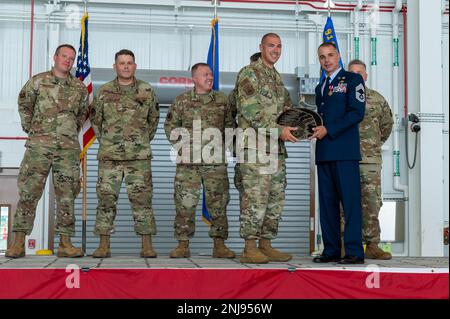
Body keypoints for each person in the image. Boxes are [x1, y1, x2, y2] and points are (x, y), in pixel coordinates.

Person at [6, 44, 89, 258]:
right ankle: (17, 243)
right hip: (39, 146)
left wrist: (69, 131)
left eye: (71, 58)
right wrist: (33, 129)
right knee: (29, 192)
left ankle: (65, 243)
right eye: (64, 56)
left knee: (67, 195)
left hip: (67, 148)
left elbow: (81, 115)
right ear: (55, 57)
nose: (68, 61)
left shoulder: (79, 88)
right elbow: (24, 104)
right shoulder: (38, 81)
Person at [90, 49, 160, 258]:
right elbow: (96, 121)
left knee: (142, 201)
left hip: (138, 158)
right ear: (115, 67)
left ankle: (146, 245)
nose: (126, 66)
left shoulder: (146, 90)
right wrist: (109, 142)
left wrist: (140, 141)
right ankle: (104, 244)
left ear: (135, 66)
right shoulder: (103, 91)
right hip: (110, 157)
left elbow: (153, 120)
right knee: (106, 200)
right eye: (122, 63)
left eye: (130, 62)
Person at [236, 33, 297, 264]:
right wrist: (278, 130)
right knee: (255, 198)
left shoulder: (276, 78)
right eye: (271, 45)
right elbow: (250, 110)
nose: (275, 50)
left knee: (275, 199)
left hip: (276, 149)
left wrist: (301, 124)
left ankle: (266, 243)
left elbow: (287, 110)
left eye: (279, 46)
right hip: (255, 148)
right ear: (261, 47)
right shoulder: (250, 73)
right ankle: (250, 247)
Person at [164, 62, 235, 259]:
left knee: (218, 203)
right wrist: (184, 147)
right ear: (194, 79)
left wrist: (225, 149)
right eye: (205, 74)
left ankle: (219, 245)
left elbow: (230, 126)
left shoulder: (222, 100)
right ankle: (183, 244)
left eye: (211, 74)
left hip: (215, 163)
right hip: (189, 163)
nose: (210, 77)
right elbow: (170, 126)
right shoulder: (182, 100)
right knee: (184, 203)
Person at [311, 42, 366, 264]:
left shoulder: (352, 80)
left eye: (330, 55)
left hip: (344, 152)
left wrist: (329, 130)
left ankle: (353, 251)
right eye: (322, 56)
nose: (327, 60)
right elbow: (321, 118)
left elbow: (356, 113)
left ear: (339, 56)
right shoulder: (320, 86)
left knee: (350, 204)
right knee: (327, 204)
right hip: (324, 153)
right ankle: (331, 250)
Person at [347, 59, 393, 260]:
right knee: (344, 203)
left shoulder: (377, 99)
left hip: (370, 161)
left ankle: (372, 244)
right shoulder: (342, 98)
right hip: (345, 159)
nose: (357, 76)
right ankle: (343, 243)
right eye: (352, 73)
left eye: (360, 73)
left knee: (372, 203)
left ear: (365, 76)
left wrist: (372, 144)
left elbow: (387, 125)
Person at [228, 52, 261, 202]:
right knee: (248, 198)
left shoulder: (276, 90)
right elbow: (228, 118)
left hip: (270, 149)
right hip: (247, 149)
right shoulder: (237, 92)